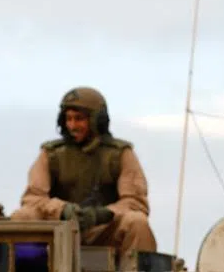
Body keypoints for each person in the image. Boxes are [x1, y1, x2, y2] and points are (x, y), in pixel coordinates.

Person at [11, 87, 157, 257]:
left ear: (97, 121)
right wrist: (62, 210)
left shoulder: (119, 154)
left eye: (79, 119)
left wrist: (103, 214)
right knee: (23, 216)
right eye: (68, 119)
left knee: (137, 222)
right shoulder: (51, 154)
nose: (72, 125)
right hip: (59, 231)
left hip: (104, 231)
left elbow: (135, 202)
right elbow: (33, 198)